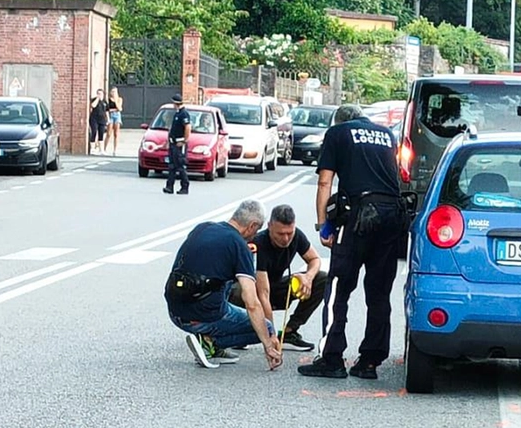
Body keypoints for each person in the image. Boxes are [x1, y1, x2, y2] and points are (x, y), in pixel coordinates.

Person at [297, 103, 404, 381]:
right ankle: (370, 361)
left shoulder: (338, 133)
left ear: (340, 120)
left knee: (338, 287)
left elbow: (325, 183)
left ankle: (331, 357)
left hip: (359, 217)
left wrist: (324, 225)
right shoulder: (386, 135)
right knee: (379, 292)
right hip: (392, 217)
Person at [164, 198, 284, 371]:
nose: (255, 235)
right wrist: (268, 344)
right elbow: (252, 302)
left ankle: (211, 343)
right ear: (252, 226)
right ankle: (210, 342)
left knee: (220, 283)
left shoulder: (203, 228)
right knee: (267, 327)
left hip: (175, 310)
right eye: (257, 230)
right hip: (201, 317)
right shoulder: (239, 246)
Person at [227, 204, 328, 352]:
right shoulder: (258, 243)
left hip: (277, 287)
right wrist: (271, 336)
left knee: (322, 278)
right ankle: (240, 331)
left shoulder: (297, 236)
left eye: (289, 233)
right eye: (280, 234)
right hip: (253, 293)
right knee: (238, 289)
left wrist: (308, 277)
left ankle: (289, 332)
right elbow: (263, 294)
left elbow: (315, 259)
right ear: (269, 227)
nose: (286, 238)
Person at [163, 93, 191, 195]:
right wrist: (168, 141)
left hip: (179, 144)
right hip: (173, 143)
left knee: (180, 166)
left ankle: (185, 187)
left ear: (176, 103)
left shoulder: (184, 114)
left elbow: (188, 127)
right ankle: (169, 186)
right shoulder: (178, 113)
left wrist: (184, 141)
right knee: (172, 166)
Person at [89, 89, 109, 154]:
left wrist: (108, 119)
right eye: (98, 93)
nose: (99, 95)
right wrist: (97, 98)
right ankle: (92, 149)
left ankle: (101, 150)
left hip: (102, 119)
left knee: (101, 133)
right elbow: (93, 106)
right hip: (94, 118)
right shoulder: (94, 100)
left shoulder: (105, 102)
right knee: (94, 132)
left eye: (101, 94)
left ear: (103, 94)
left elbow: (106, 111)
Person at [107, 87, 123, 156]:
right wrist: (114, 109)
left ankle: (115, 150)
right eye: (112, 91)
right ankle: (105, 148)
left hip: (117, 116)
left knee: (116, 134)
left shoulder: (119, 99)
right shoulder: (108, 100)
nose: (113, 93)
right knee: (109, 133)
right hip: (111, 116)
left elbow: (119, 108)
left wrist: (116, 100)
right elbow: (108, 109)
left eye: (115, 92)